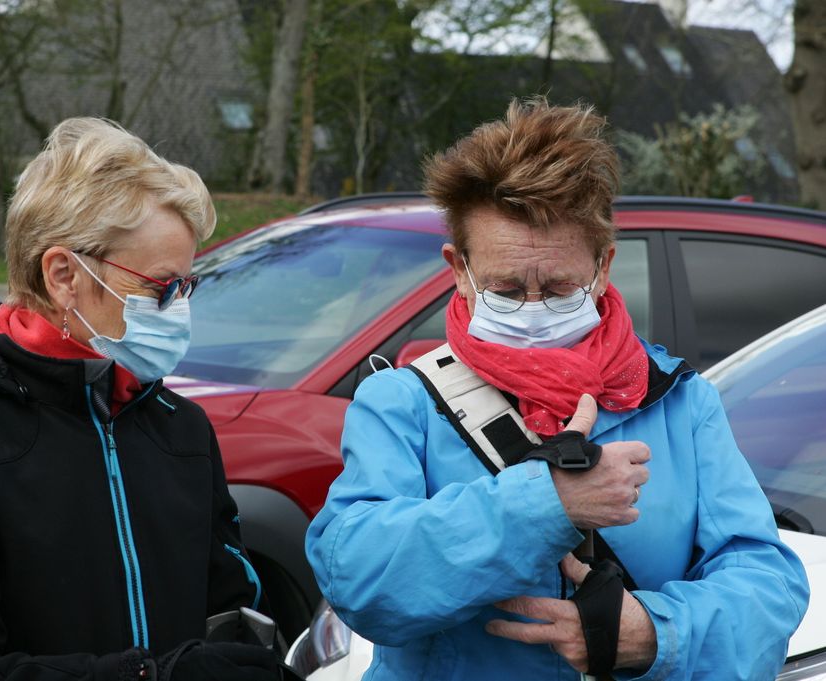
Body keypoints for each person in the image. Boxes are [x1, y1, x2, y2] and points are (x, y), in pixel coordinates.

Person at [305, 99, 810, 680]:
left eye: (561, 286)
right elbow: (359, 582)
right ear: (457, 270)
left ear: (603, 267)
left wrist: (653, 633)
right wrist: (547, 506)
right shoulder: (403, 402)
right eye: (506, 287)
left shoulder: (678, 400)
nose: (534, 308)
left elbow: (768, 583)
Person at [0, 118, 289, 681]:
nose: (179, 310)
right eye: (161, 288)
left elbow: (230, 613)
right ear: (64, 274)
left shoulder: (180, 429)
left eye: (188, 287)